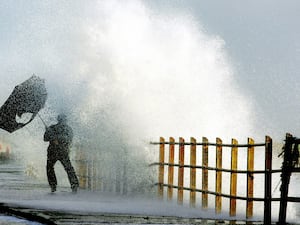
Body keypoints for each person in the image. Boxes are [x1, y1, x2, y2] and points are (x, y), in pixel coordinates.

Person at [44, 114, 79, 193]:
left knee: (50, 168)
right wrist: (47, 131)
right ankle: (74, 185)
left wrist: (51, 135)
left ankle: (53, 185)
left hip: (53, 151)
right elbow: (69, 139)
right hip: (62, 151)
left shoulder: (52, 128)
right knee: (69, 168)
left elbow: (45, 138)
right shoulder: (67, 129)